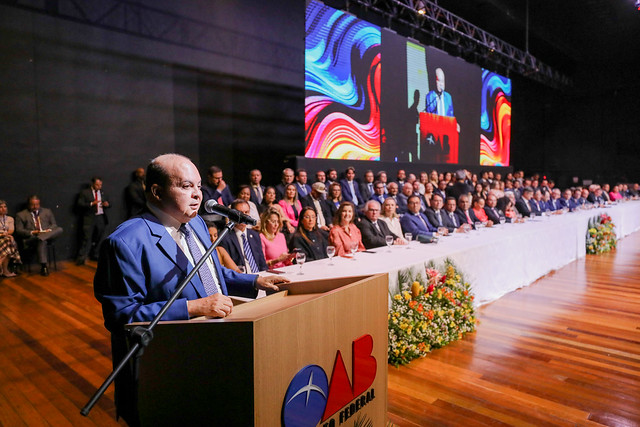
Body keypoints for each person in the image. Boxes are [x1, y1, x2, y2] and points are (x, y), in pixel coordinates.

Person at [93, 154, 287, 425]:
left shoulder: (194, 222)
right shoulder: (125, 242)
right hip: (166, 370)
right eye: (186, 186)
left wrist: (253, 281)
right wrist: (193, 307)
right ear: (157, 191)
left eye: (198, 186)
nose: (197, 194)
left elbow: (208, 272)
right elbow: (121, 316)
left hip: (213, 350)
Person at [15, 195, 63, 276]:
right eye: (32, 205)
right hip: (31, 238)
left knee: (59, 229)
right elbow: (19, 231)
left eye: (37, 204)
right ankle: (44, 266)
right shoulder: (21, 215)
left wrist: (47, 231)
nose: (35, 207)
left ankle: (40, 239)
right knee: (42, 241)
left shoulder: (47, 211)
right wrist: (33, 232)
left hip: (45, 235)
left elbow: (54, 225)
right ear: (28, 204)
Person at [220, 199, 269, 273]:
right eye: (240, 213)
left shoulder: (255, 235)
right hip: (242, 279)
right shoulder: (225, 238)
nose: (244, 216)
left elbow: (262, 263)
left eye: (246, 212)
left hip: (260, 277)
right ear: (232, 215)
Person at [76, 176, 111, 264]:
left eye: (100, 184)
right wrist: (91, 203)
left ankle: (95, 254)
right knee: (86, 238)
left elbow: (109, 203)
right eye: (97, 184)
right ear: (92, 184)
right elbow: (80, 204)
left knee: (100, 237)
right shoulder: (85, 192)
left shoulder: (103, 192)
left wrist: (107, 204)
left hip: (100, 217)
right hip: (89, 217)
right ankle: (81, 257)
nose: (99, 186)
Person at [0, 200, 21, 277]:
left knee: (8, 241)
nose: (3, 209)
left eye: (5, 207)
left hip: (6, 238)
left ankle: (2, 267)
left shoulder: (10, 219)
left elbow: (11, 230)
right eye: (1, 207)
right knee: (9, 241)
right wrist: (2, 234)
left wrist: (6, 234)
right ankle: (5, 270)